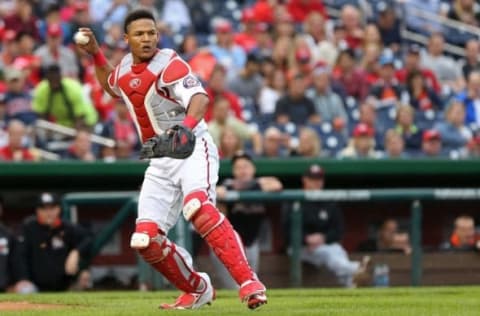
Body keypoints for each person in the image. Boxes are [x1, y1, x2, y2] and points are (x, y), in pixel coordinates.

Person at [76, 9, 267, 310]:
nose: (147, 38)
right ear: (126, 39)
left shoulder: (169, 63)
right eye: (139, 34)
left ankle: (248, 282)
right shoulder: (125, 67)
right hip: (160, 159)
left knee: (198, 208)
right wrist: (97, 54)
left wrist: (186, 130)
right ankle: (198, 288)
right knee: (145, 239)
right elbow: (112, 87)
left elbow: (200, 98)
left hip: (191, 148)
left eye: (151, 32)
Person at [214, 151, 283, 289]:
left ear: (253, 169)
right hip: (229, 245)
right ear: (233, 171)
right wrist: (223, 191)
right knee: (234, 288)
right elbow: (217, 191)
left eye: (245, 166)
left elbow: (277, 185)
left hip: (252, 243)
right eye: (238, 167)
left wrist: (253, 186)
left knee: (251, 282)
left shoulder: (259, 183)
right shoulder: (228, 184)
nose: (242, 170)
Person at [295, 164, 372, 287]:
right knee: (328, 253)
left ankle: (351, 286)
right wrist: (306, 239)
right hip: (299, 247)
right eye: (313, 179)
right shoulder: (296, 200)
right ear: (305, 180)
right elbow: (287, 231)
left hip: (326, 245)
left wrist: (324, 238)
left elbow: (339, 230)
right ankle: (357, 268)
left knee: (337, 250)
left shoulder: (329, 201)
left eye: (319, 179)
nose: (317, 183)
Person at [18, 192, 92, 292]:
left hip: (65, 284)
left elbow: (88, 238)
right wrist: (23, 278)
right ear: (37, 210)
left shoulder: (67, 227)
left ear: (58, 209)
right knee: (25, 290)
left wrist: (75, 252)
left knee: (83, 278)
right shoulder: (29, 227)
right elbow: (20, 256)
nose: (48, 212)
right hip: (35, 285)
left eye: (52, 208)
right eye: (44, 209)